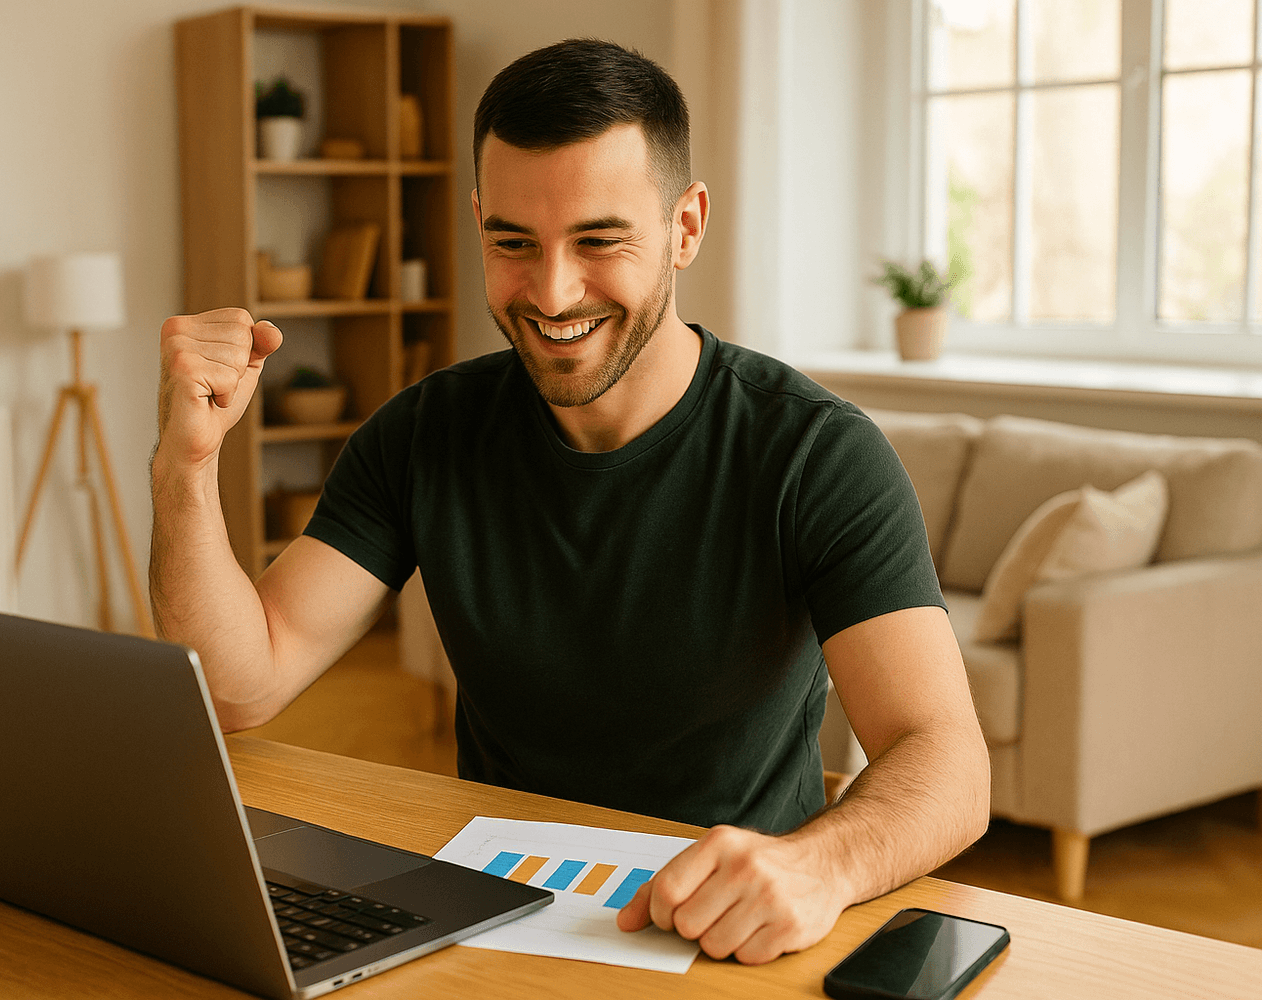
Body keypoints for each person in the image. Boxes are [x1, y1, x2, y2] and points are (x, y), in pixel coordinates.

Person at [151, 38, 990, 965]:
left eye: (599, 239)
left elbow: (945, 760)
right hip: (496, 918)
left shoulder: (816, 454)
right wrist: (185, 471)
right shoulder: (424, 432)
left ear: (686, 226)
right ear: (477, 222)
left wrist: (821, 865)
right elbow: (240, 682)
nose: (551, 293)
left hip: (729, 936)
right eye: (513, 242)